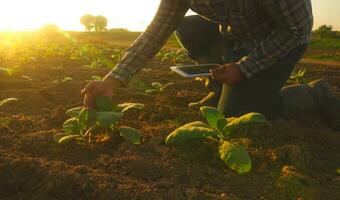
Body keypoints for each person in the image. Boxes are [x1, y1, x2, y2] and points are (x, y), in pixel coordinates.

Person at [82, 0, 340, 131]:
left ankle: (314, 94)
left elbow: (297, 30)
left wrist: (245, 68)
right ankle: (219, 88)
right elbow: (155, 32)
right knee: (187, 26)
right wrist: (111, 80)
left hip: (280, 40)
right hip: (236, 38)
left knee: (236, 115)